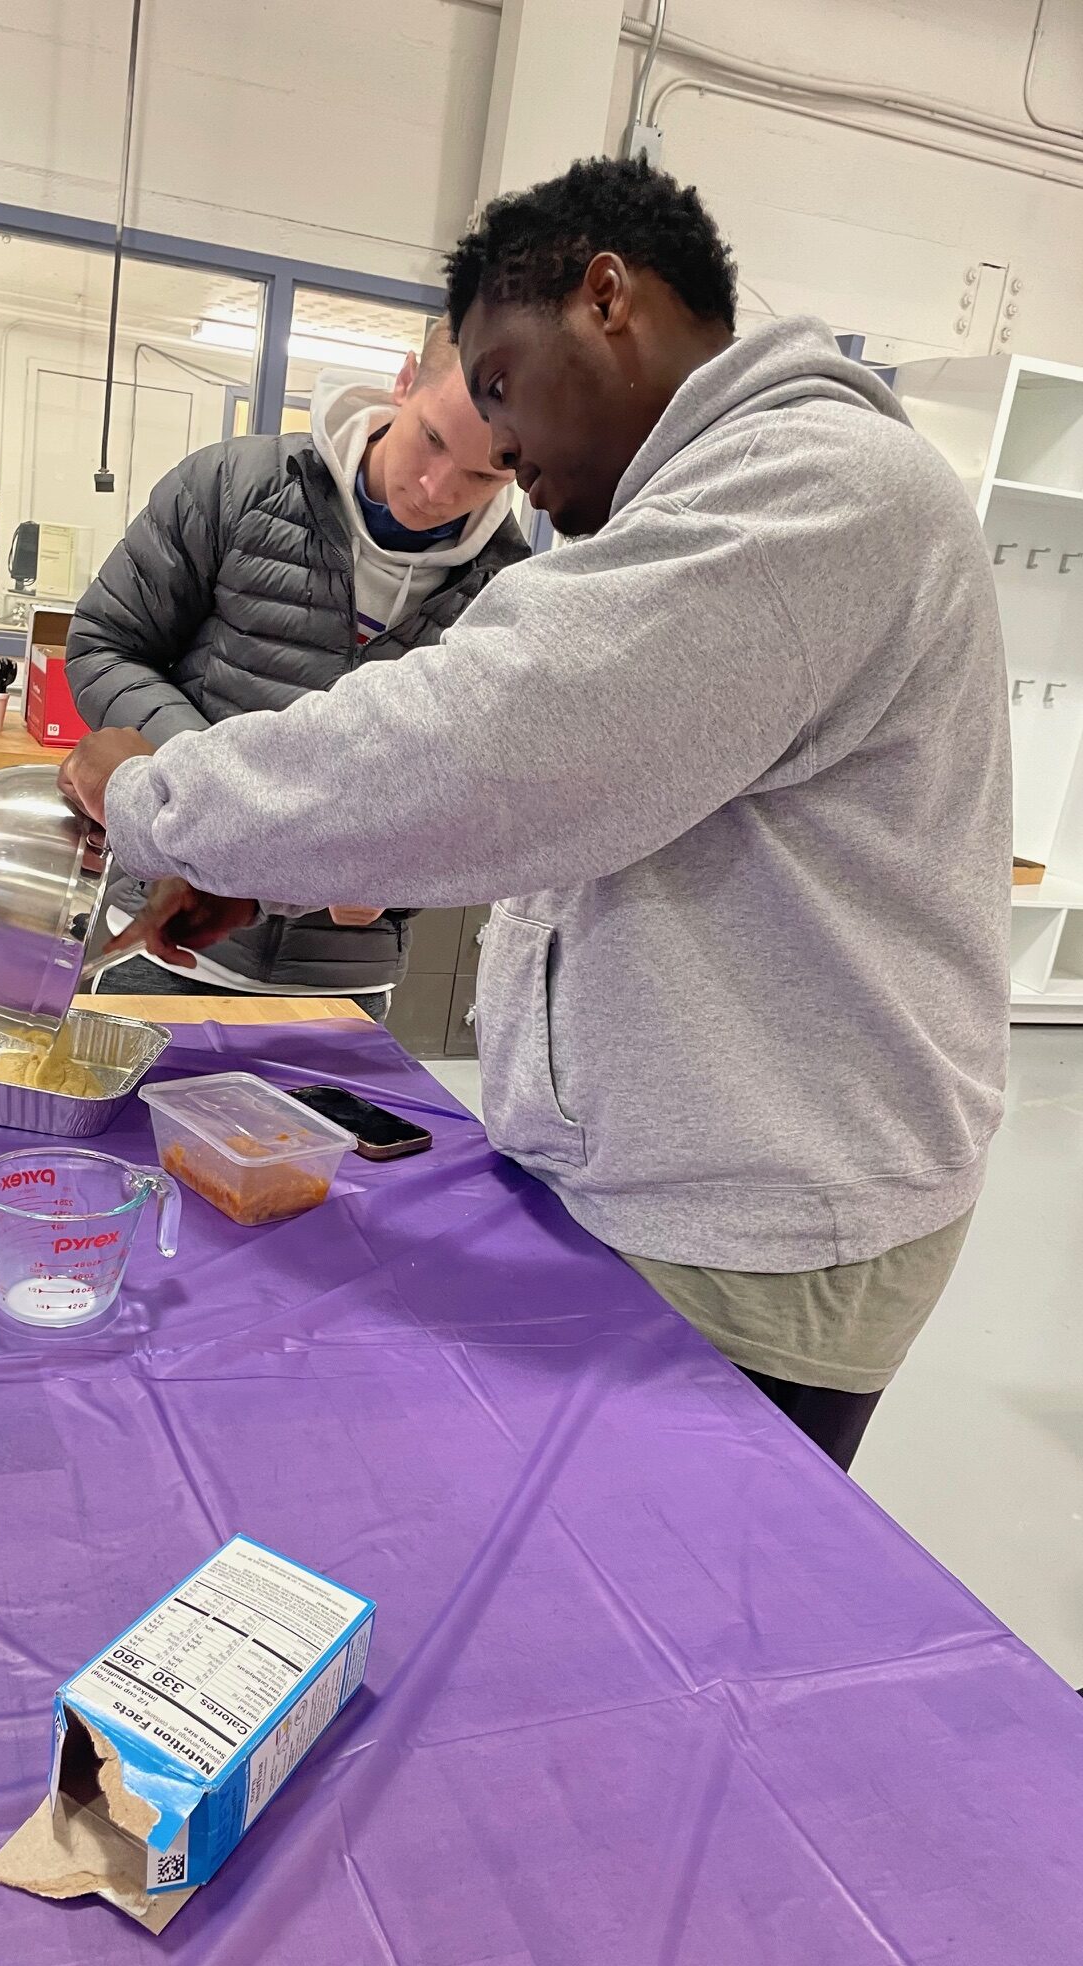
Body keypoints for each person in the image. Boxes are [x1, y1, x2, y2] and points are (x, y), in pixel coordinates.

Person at [59, 157, 1010, 1472]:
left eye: (501, 392)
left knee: (647, 1600)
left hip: (762, 1226)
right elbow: (571, 808)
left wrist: (155, 800)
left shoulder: (817, 490)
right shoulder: (708, 500)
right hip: (676, 1180)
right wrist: (274, 857)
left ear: (605, 300)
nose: (499, 454)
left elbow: (491, 747)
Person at [63, 322, 527, 1017]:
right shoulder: (231, 486)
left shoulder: (511, 592)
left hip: (344, 982)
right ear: (404, 382)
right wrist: (203, 787)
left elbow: (483, 795)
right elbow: (104, 641)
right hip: (164, 944)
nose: (435, 488)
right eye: (431, 438)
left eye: (484, 473)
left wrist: (393, 877)